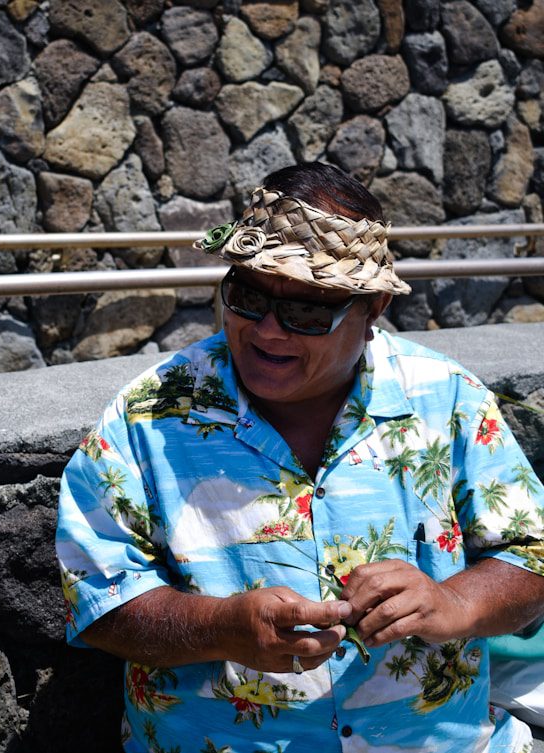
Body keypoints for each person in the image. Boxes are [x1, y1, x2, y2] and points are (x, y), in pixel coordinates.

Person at [56, 162, 544, 753]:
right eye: (246, 297)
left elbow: (533, 555)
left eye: (307, 312)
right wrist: (221, 628)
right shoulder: (147, 417)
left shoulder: (449, 399)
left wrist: (456, 602)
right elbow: (97, 597)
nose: (268, 332)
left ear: (374, 309)